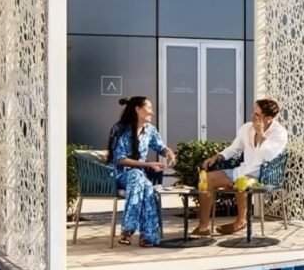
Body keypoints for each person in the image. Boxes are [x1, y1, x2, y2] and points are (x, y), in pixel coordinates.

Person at [193, 99, 288, 236]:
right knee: (207, 180)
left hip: (263, 175)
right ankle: (203, 228)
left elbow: (268, 155)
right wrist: (218, 156)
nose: (252, 116)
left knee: (241, 182)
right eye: (253, 112)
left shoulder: (280, 133)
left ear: (268, 118)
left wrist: (261, 135)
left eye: (257, 114)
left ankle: (240, 222)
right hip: (243, 170)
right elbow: (234, 148)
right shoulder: (246, 128)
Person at [108, 97, 175, 247]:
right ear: (137, 109)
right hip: (119, 175)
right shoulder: (119, 129)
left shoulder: (150, 130)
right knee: (137, 176)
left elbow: (160, 147)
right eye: (149, 108)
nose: (152, 112)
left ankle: (141, 235)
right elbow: (119, 159)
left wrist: (169, 153)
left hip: (137, 178)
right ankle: (134, 231)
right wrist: (148, 164)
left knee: (147, 186)